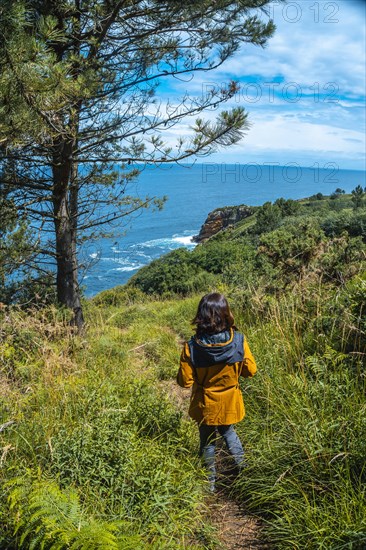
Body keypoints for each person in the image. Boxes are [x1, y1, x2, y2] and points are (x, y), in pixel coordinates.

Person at [177, 292, 257, 491]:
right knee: (229, 433)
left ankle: (209, 485)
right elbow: (251, 371)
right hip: (230, 401)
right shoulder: (238, 340)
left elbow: (184, 381)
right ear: (225, 313)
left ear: (201, 316)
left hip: (205, 403)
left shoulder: (192, 347)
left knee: (207, 441)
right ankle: (244, 471)